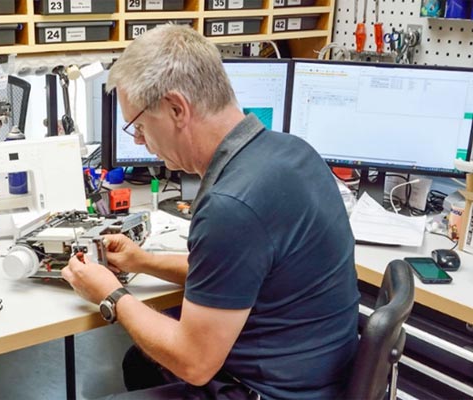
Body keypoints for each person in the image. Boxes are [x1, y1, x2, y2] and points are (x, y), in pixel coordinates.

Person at [61, 24, 360, 399]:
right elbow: (238, 273)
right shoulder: (293, 152)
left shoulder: (230, 206)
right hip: (315, 379)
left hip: (265, 391)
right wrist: (143, 261)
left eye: (138, 127)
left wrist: (111, 295)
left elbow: (194, 364)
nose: (141, 142)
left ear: (176, 108)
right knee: (139, 363)